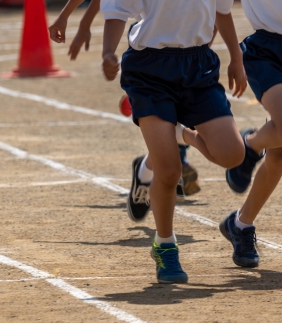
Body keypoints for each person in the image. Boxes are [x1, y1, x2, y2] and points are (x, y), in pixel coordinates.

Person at [101, 0, 247, 283]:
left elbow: (222, 11)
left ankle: (182, 135)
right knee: (169, 171)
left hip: (198, 66)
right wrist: (108, 52)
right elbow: (117, 10)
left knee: (232, 155)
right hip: (149, 70)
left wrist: (236, 58)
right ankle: (165, 245)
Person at [49, 0, 202, 197]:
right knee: (167, 112)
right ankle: (174, 166)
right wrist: (72, 20)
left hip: (187, 43)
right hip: (150, 43)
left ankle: (156, 165)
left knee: (186, 111)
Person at [215, 0, 282, 268]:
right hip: (265, 49)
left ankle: (240, 224)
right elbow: (218, 7)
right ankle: (250, 145)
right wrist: (232, 56)